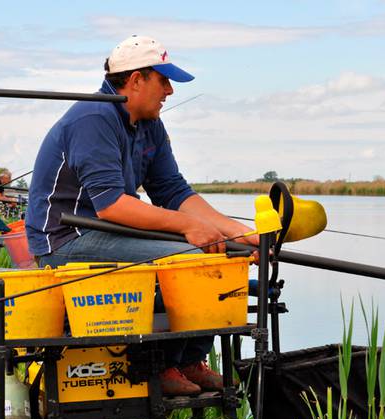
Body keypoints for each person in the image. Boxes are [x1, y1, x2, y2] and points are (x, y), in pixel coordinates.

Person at [25, 35, 259, 396]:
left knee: (226, 257)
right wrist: (191, 229)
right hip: (66, 240)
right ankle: (160, 366)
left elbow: (173, 191)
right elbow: (112, 205)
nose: (169, 91)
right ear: (135, 80)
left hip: (109, 231)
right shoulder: (94, 116)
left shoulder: (149, 122)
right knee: (189, 261)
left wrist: (236, 233)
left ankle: (188, 361)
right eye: (162, 80)